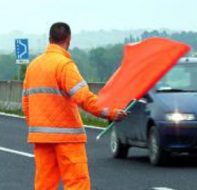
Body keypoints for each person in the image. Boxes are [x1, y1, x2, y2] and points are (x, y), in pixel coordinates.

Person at [22, 22, 127, 190]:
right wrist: (110, 113)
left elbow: (26, 103)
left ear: (49, 39)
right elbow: (84, 98)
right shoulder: (64, 65)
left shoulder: (33, 66)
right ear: (68, 39)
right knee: (77, 183)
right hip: (67, 138)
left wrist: (37, 127)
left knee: (44, 185)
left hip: (41, 138)